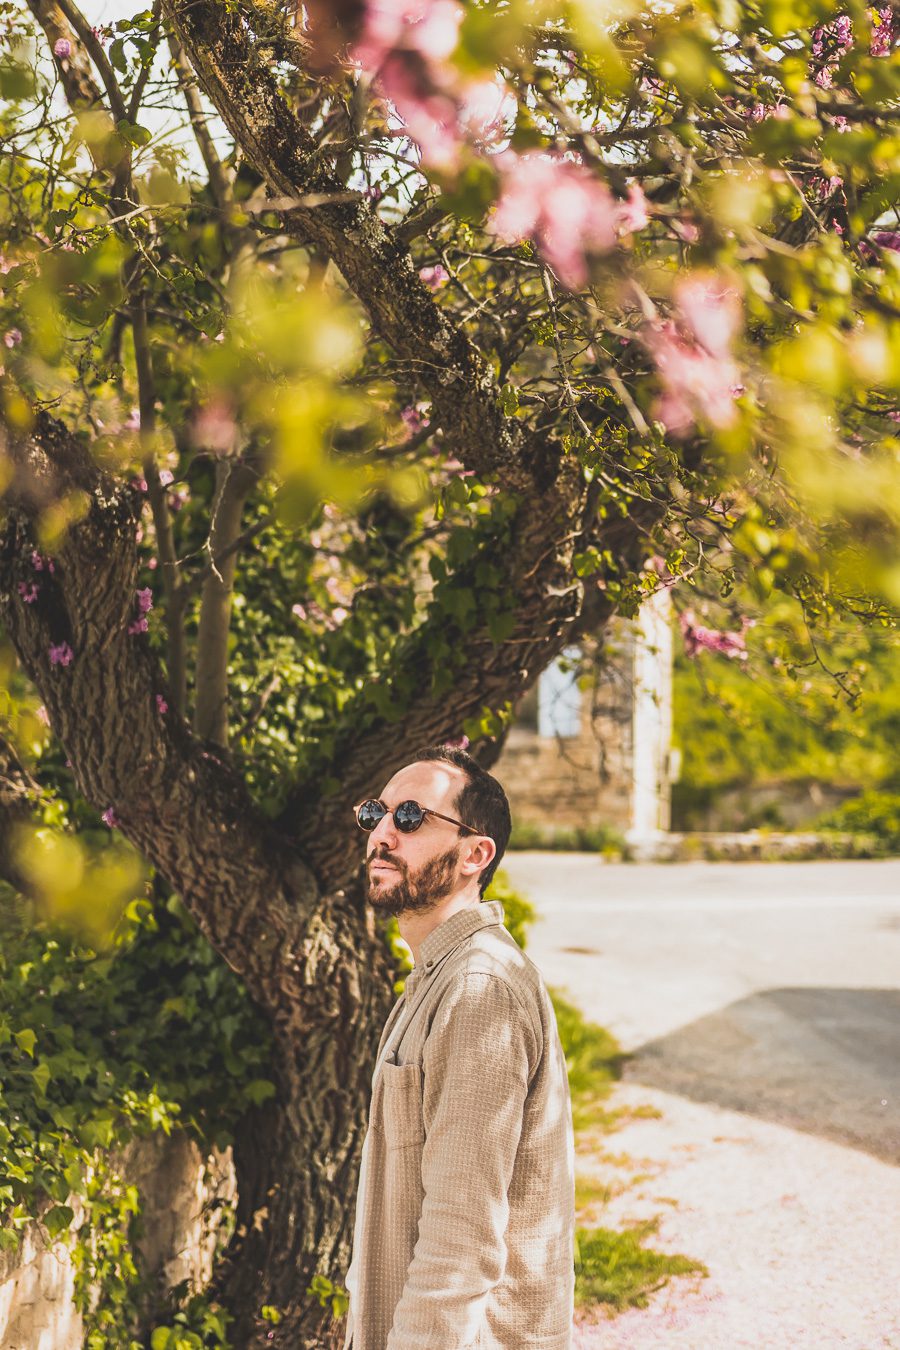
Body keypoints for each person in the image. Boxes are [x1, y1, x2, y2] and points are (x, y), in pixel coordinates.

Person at [343, 745, 575, 1350]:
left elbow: (461, 1237)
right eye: (377, 814)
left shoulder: (477, 989)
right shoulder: (436, 976)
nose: (384, 833)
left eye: (412, 817)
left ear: (476, 854)